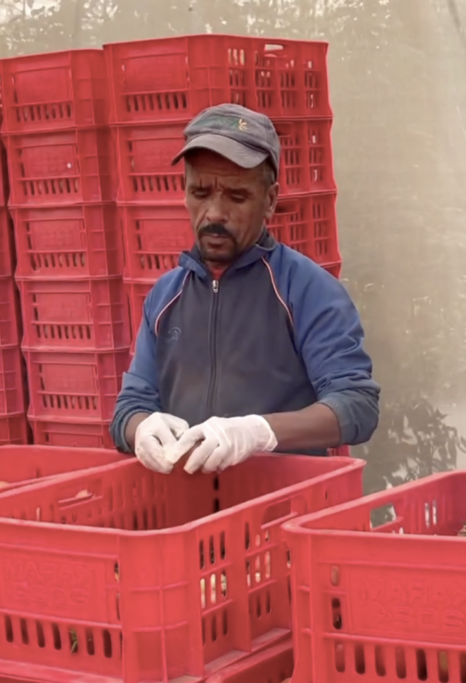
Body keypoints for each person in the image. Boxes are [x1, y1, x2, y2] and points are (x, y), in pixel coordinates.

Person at [111, 103, 380, 475]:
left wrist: (259, 432)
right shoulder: (165, 296)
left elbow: (356, 405)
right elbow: (131, 404)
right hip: (186, 511)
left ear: (270, 200)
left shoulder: (307, 291)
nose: (215, 213)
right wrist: (140, 428)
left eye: (237, 196)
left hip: (284, 512)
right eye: (201, 192)